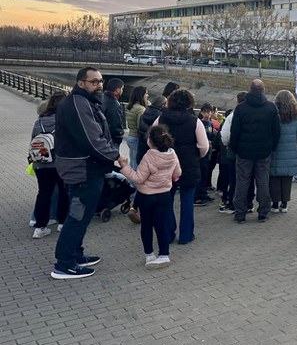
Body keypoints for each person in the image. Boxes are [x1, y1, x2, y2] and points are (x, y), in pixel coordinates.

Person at [51, 67, 120, 279]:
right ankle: (64, 264)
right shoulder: (78, 104)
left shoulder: (85, 101)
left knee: (82, 215)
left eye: (101, 81)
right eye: (94, 82)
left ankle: (76, 255)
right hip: (82, 171)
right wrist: (117, 157)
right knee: (77, 216)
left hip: (86, 169)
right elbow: (92, 140)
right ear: (81, 83)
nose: (99, 85)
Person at [118, 124, 181, 269]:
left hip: (147, 197)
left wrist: (124, 167)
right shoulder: (172, 154)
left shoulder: (149, 156)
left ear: (150, 141)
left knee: (146, 226)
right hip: (164, 195)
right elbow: (177, 173)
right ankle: (164, 255)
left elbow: (138, 178)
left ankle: (149, 255)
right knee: (161, 225)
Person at [158, 89, 209, 245]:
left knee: (167, 199)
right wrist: (197, 156)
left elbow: (150, 141)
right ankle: (186, 235)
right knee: (187, 200)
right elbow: (204, 146)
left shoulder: (161, 118)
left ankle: (168, 233)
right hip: (188, 164)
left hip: (166, 164)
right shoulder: (195, 121)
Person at [230, 79, 280, 224]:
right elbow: (276, 131)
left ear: (249, 89)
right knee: (263, 181)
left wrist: (235, 148)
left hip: (244, 151)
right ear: (264, 90)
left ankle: (240, 213)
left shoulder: (241, 108)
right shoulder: (271, 108)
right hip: (264, 151)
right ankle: (263, 212)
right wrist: (272, 147)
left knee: (242, 182)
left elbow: (235, 132)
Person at [30, 91, 69, 239]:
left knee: (44, 193)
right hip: (60, 163)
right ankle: (62, 223)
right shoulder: (64, 121)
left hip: (41, 163)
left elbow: (33, 141)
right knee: (64, 192)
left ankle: (40, 227)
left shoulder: (39, 121)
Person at [269, 90, 297, 213]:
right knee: (287, 179)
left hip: (276, 150)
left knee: (274, 177)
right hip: (291, 152)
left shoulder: (274, 114)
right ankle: (284, 204)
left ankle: (275, 204)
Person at [218, 91, 248, 214]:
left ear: (237, 101)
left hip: (234, 151)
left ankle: (232, 204)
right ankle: (248, 203)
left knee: (233, 179)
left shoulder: (232, 116)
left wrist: (227, 146)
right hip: (248, 151)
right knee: (247, 178)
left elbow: (225, 135)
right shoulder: (251, 114)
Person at [194, 103, 216, 206]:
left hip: (209, 151)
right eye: (205, 112)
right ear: (201, 113)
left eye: (209, 112)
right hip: (202, 152)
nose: (207, 114)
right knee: (201, 173)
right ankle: (198, 195)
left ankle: (204, 193)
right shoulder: (200, 123)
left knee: (206, 172)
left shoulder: (210, 123)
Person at [125, 86, 149, 169]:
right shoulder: (141, 109)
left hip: (130, 136)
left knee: (132, 161)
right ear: (141, 95)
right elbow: (140, 126)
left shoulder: (132, 106)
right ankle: (133, 178)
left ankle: (130, 177)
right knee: (136, 164)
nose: (147, 95)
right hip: (136, 138)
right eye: (146, 94)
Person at [102, 78, 126, 150]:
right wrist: (119, 137)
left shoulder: (103, 98)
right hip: (111, 139)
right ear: (117, 90)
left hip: (104, 137)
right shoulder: (113, 103)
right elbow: (115, 123)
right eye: (122, 89)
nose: (122, 91)